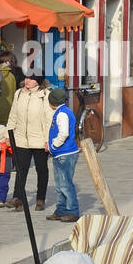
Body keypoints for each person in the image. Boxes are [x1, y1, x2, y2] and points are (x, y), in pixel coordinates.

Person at [6, 72, 54, 211]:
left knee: (41, 169)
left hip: (39, 139)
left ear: (38, 81)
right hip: (21, 138)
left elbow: (48, 119)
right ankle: (17, 198)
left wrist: (47, 140)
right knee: (21, 169)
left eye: (31, 79)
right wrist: (9, 134)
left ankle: (40, 199)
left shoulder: (45, 95)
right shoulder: (19, 93)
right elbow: (13, 114)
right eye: (26, 78)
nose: (27, 81)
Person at [46, 87, 80, 222]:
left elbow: (64, 133)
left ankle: (72, 211)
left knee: (65, 184)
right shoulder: (62, 111)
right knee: (59, 184)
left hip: (65, 153)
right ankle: (60, 209)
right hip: (60, 154)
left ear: (52, 102)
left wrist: (54, 145)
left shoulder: (62, 114)